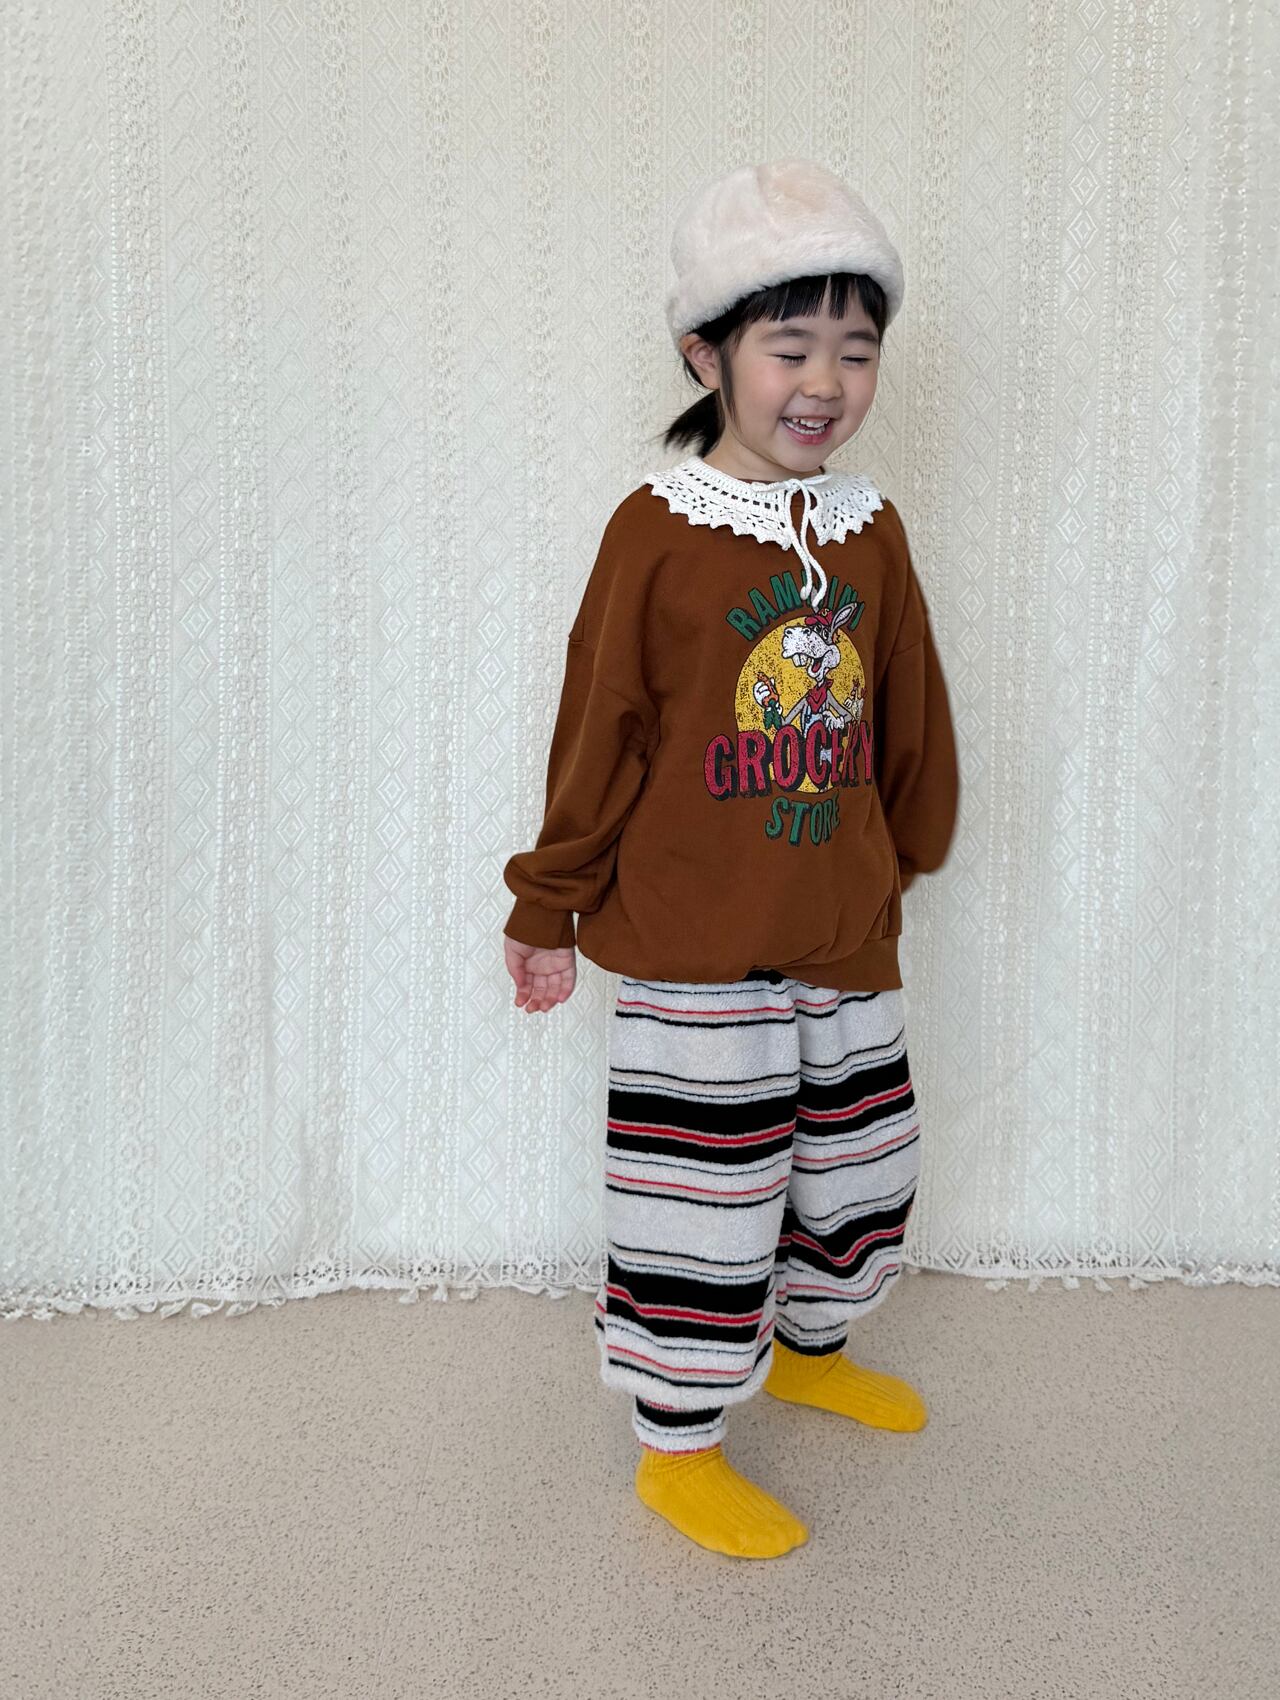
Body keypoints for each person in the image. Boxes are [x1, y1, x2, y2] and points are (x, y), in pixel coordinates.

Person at [501, 159, 960, 1559]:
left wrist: (906, 849)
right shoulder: (657, 534)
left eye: (856, 350)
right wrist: (547, 904)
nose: (824, 380)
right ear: (708, 356)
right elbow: (601, 727)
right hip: (698, 943)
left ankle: (813, 1348)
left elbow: (908, 703)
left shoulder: (869, 531)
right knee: (704, 1200)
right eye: (789, 345)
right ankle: (679, 1443)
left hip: (841, 926)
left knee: (856, 1165)